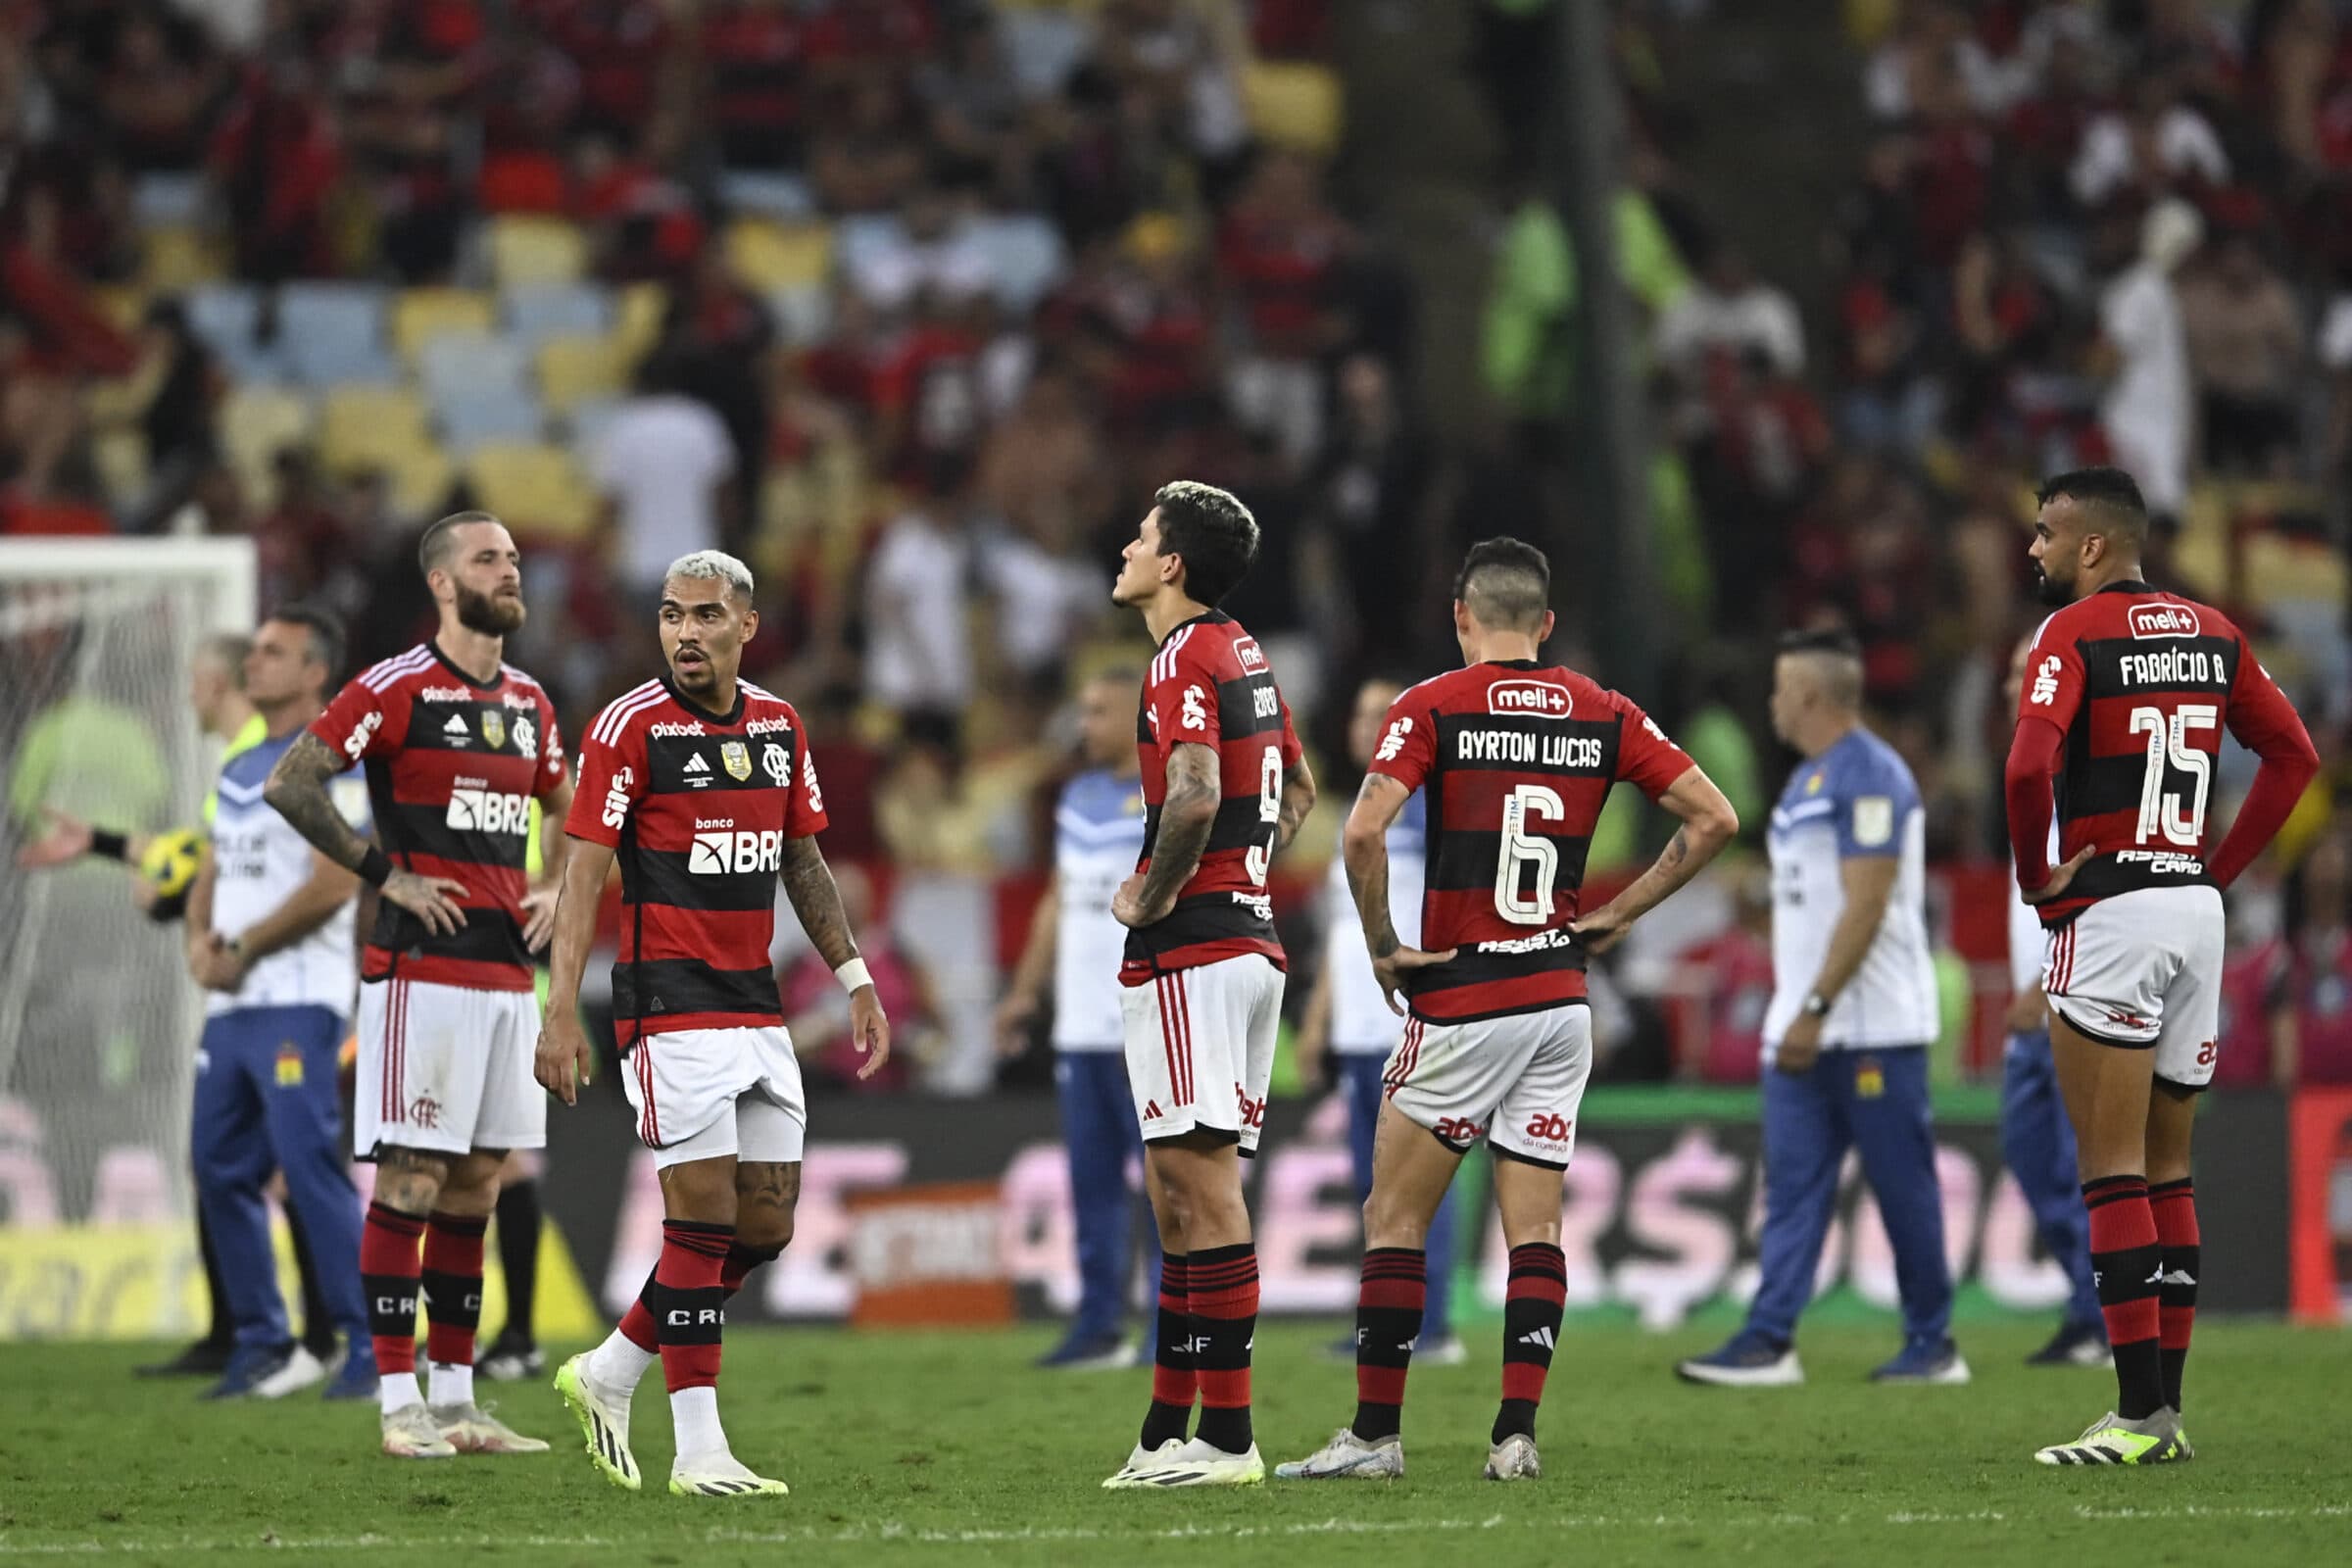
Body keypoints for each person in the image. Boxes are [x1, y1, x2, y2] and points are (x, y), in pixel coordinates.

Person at [1277, 538, 1738, 1484]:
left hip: (1465, 997)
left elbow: (1363, 833)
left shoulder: (1434, 705)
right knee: (1537, 1229)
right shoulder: (1602, 709)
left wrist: (1379, 945)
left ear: (1461, 618)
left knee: (1393, 1218)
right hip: (1560, 1000)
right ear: (1547, 624)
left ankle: (1372, 1436)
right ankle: (1515, 1436)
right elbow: (1715, 817)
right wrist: (1613, 913)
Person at [540, 549, 892, 1498]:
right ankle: (701, 1452)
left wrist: (852, 974)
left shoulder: (779, 726)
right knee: (698, 1219)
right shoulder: (629, 727)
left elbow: (804, 863)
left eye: (704, 615)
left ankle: (611, 1368)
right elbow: (582, 874)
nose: (685, 632)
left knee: (765, 1225)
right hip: (667, 1001)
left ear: (746, 625)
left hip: (755, 1002)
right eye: (670, 615)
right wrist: (559, 1007)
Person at [2005, 466, 2317, 1465]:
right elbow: (2296, 756)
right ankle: (2165, 1415)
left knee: (2110, 1172)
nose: (2036, 550)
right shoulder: (2214, 631)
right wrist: (2216, 871)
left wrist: (2038, 879)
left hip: (2113, 912)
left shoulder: (2070, 634)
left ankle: (2136, 1415)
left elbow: (2023, 768)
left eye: (2048, 533)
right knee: (2169, 1167)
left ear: (2096, 546)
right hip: (2192, 908)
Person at [266, 510, 573, 1459]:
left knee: (477, 1183)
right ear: (444, 581)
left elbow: (561, 800)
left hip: (501, 973)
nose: (510, 571)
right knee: (410, 1175)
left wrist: (555, 882)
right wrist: (381, 871)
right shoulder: (395, 687)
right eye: (490, 559)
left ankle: (458, 1399)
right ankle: (399, 1400)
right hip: (418, 969)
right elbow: (294, 779)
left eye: (515, 558)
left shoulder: (530, 699)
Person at [15, 631, 340, 1383]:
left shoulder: (271, 752)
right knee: (234, 1165)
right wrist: (110, 846)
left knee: (280, 1167)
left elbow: (243, 862)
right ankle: (261, 1334)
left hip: (287, 988)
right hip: (245, 987)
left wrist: (182, 901)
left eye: (198, 679)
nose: (187, 694)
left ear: (222, 685)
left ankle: (324, 1337)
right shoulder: (237, 764)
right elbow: (204, 854)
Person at [1099, 482, 1316, 1491]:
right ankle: (1163, 1433)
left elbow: (1193, 792)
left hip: (1197, 945)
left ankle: (1228, 1440)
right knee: (1180, 1196)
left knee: (1203, 1191)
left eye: (1143, 536)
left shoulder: (1184, 654)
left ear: (1172, 564)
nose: (1129, 547)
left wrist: (1155, 890)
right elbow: (1299, 789)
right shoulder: (1248, 653)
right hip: (1246, 943)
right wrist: (1250, 881)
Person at [1679, 629, 1964, 1389]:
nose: (1772, 703)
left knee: (1902, 1185)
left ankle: (1933, 1342)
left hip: (1868, 1027)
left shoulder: (1870, 775)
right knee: (1793, 1189)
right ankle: (1770, 1339)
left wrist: (1813, 1005)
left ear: (1808, 694)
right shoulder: (1809, 781)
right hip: (1801, 1027)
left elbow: (1867, 904)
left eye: (1779, 689)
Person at [175, 608, 377, 1399]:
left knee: (306, 1165)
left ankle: (370, 1343)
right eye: (253, 651)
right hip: (232, 1004)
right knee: (217, 1166)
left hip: (299, 1000)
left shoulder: (334, 767)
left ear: (313, 672)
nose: (250, 665)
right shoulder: (236, 768)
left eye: (271, 653)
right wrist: (199, 939)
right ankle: (264, 1341)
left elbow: (336, 882)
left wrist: (245, 946)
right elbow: (214, 866)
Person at [1295, 673, 1465, 1369]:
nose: (1369, 725)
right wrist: (1316, 1022)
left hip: (1411, 1026)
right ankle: (1384, 1321)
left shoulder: (1427, 808)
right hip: (1360, 1030)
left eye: (1382, 714)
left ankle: (1435, 1323)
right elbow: (1345, 936)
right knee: (1375, 1189)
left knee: (1419, 1181)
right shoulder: (1360, 813)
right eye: (1361, 713)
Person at [996, 667, 1162, 1370]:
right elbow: (1058, 902)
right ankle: (1098, 1326)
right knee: (1091, 1183)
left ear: (1134, 716)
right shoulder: (1077, 796)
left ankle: (1168, 1329)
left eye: (1098, 710)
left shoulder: (1166, 795)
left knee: (1163, 1189)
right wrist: (1025, 993)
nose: (1084, 724)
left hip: (1145, 1020)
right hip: (1081, 1030)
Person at [1996, 632, 2106, 1369]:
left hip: (2075, 1004)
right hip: (2032, 1020)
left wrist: (2041, 985)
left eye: (2021, 674)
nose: (2011, 687)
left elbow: (2096, 894)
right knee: (2033, 1161)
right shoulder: (2030, 777)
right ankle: (2084, 1305)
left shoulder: (2082, 780)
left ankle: (2100, 1319)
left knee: (2084, 1169)